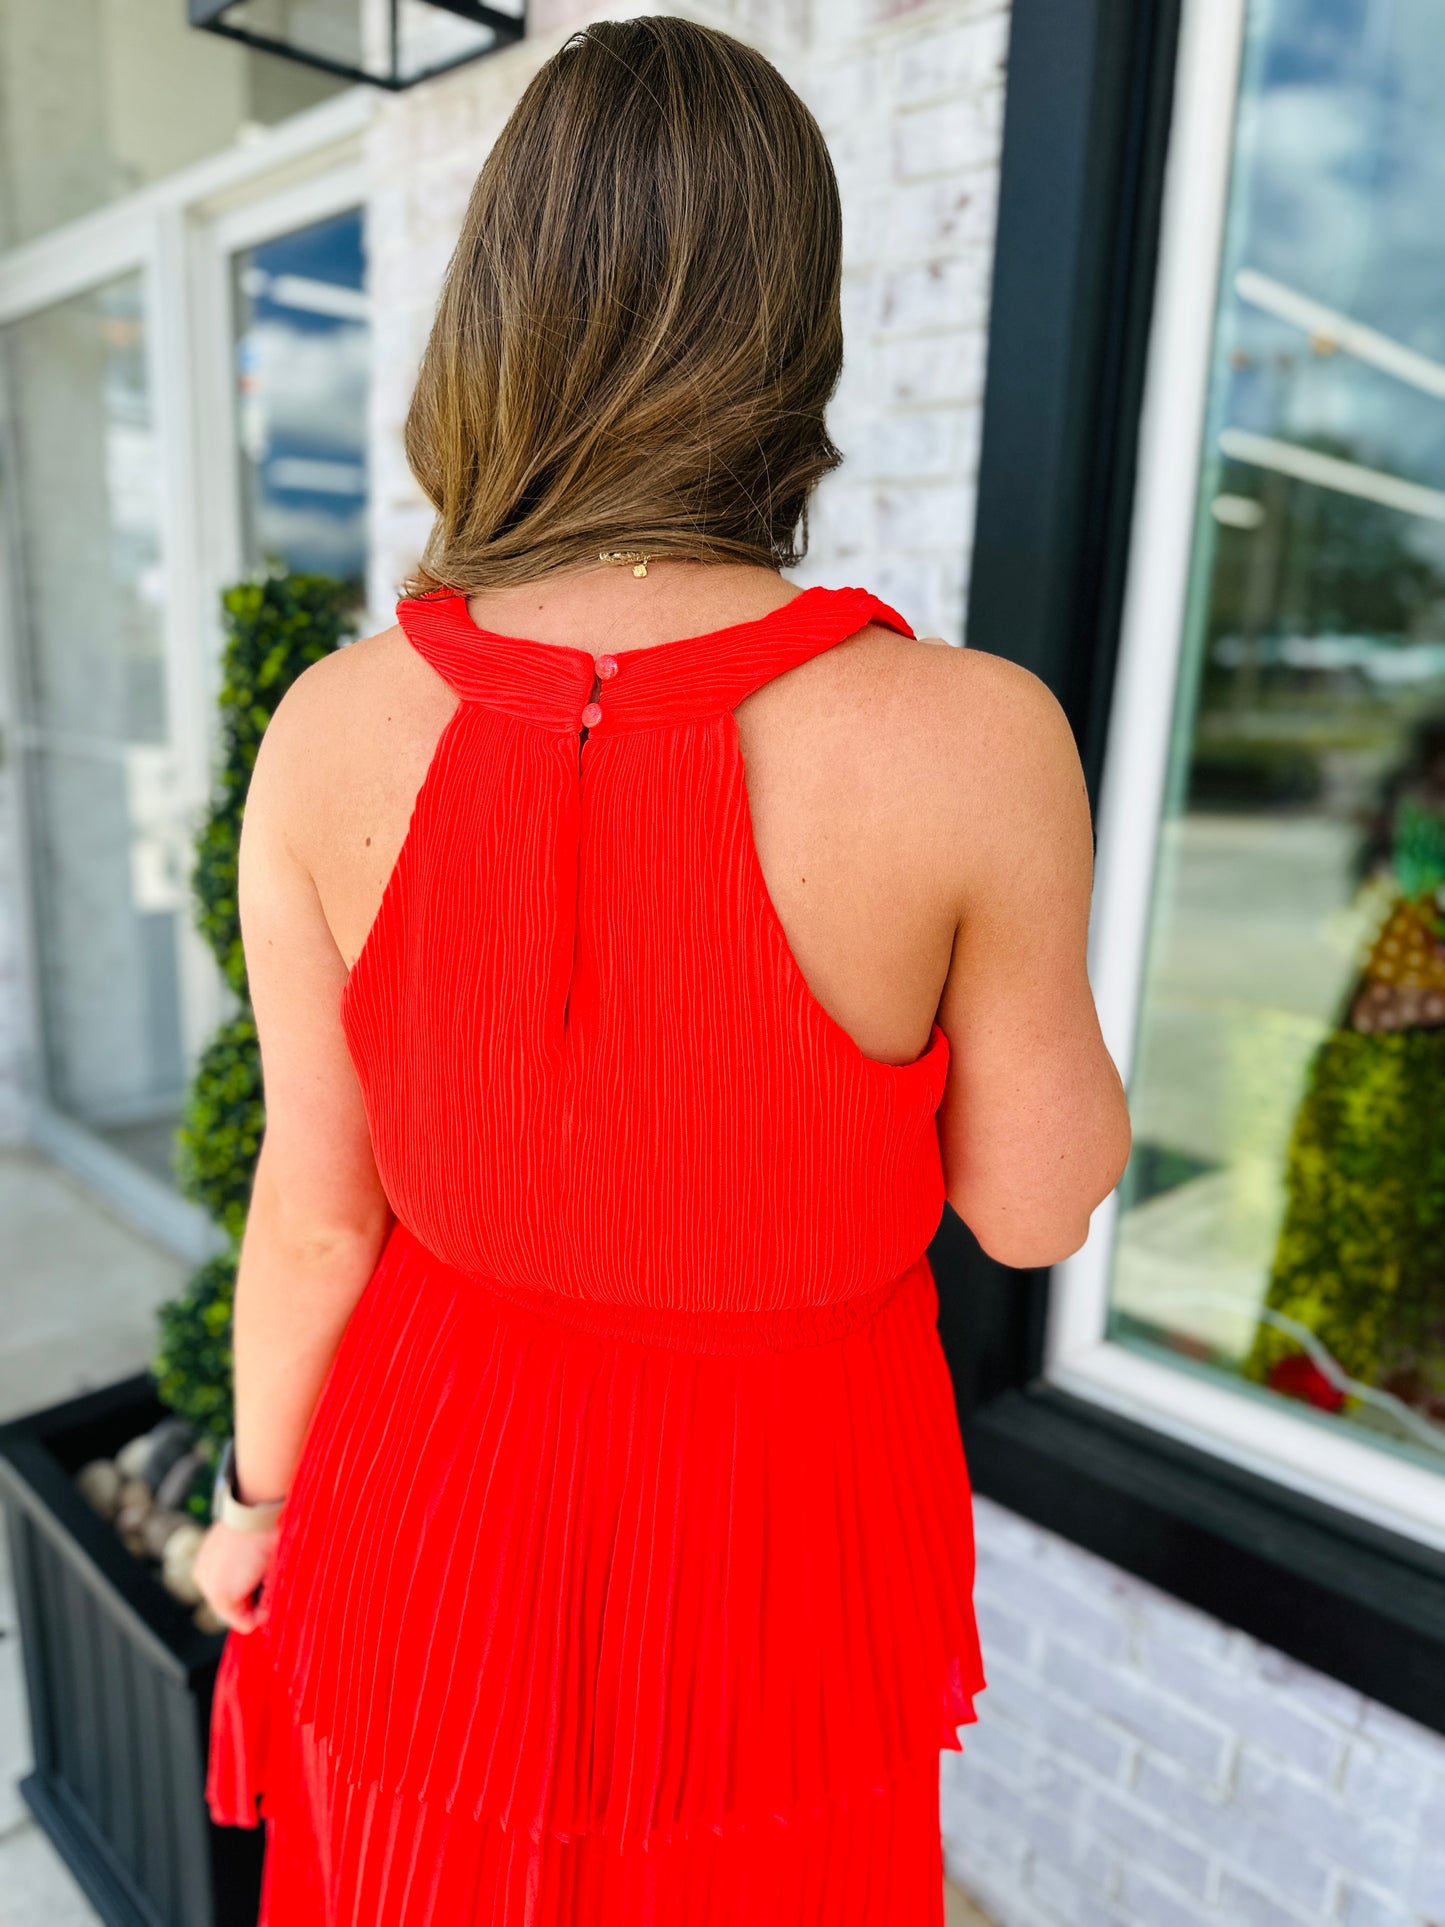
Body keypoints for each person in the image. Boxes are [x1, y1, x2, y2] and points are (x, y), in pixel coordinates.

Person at [194, 17, 1131, 1925]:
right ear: (796, 331)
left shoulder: (328, 730)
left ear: (494, 324)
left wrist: (248, 1507)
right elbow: (1034, 1212)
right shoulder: (970, 740)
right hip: (783, 1547)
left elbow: (312, 1220)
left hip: (422, 1504)